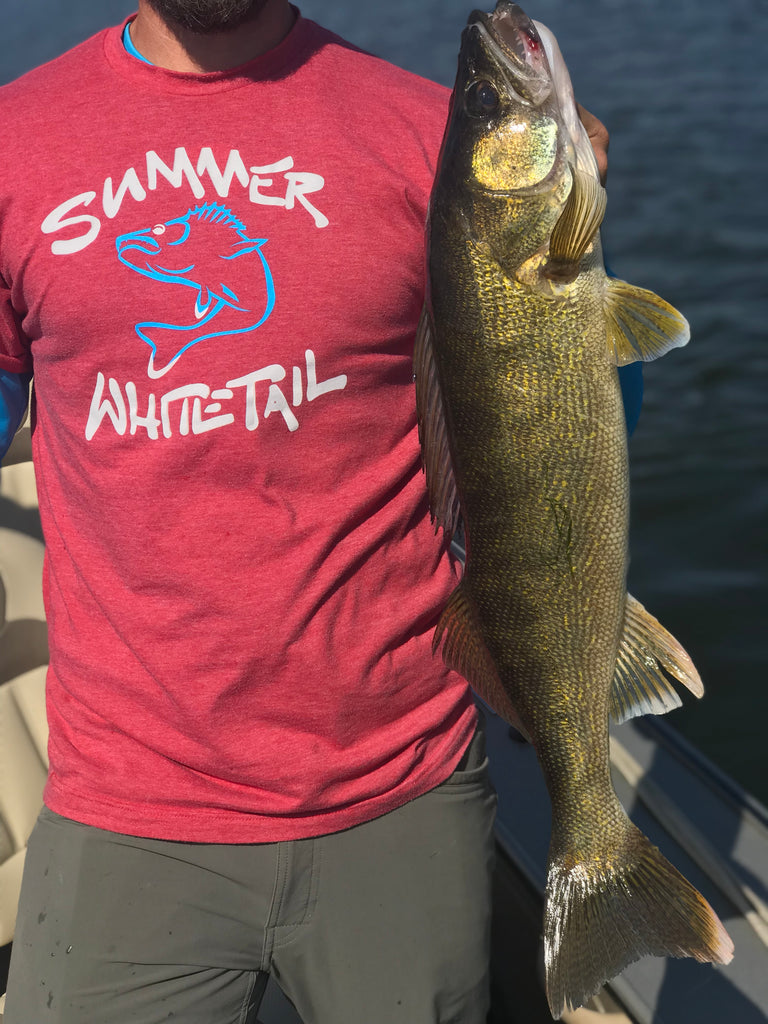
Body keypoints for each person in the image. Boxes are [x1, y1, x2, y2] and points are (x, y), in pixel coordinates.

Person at [0, 2, 617, 1022]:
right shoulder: (15, 139)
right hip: (124, 796)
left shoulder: (430, 136)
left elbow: (558, 433)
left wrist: (573, 243)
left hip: (403, 783)